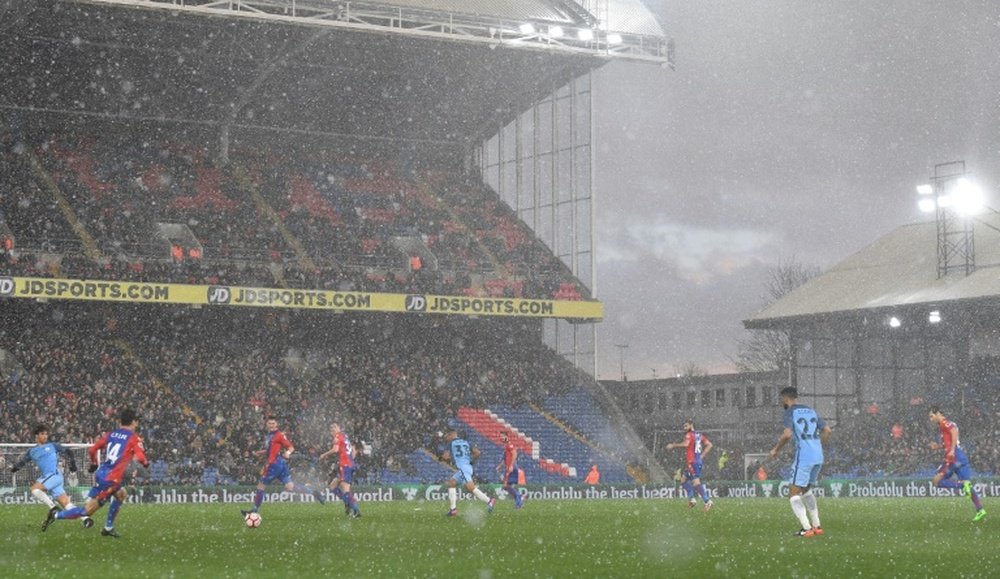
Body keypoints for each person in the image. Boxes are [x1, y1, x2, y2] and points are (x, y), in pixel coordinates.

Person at [44, 409, 148, 538]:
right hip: (110, 479)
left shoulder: (111, 434)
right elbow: (141, 457)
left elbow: (93, 449)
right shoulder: (134, 438)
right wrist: (145, 464)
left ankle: (108, 528)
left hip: (104, 472)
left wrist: (94, 463)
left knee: (121, 494)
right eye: (136, 421)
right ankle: (55, 515)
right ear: (134, 422)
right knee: (86, 511)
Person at [769, 387, 831, 537]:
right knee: (806, 490)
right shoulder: (810, 410)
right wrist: (818, 445)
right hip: (818, 455)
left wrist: (775, 449)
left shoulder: (790, 412)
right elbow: (828, 430)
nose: (781, 401)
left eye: (781, 398)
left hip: (804, 456)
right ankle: (817, 526)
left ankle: (806, 528)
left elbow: (787, 435)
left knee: (793, 493)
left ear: (785, 397)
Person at [10, 423, 92, 528]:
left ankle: (53, 509)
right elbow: (22, 462)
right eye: (42, 434)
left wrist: (73, 465)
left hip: (54, 475)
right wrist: (14, 469)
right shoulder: (32, 451)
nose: (45, 436)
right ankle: (86, 519)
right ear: (36, 435)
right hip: (49, 478)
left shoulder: (53, 445)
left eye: (46, 434)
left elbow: (69, 452)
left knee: (35, 489)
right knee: (66, 503)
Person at [242, 416, 325, 517]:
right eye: (270, 423)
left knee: (260, 487)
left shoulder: (279, 435)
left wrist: (288, 453)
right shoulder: (269, 436)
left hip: (273, 465)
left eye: (273, 423)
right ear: (266, 424)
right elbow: (272, 449)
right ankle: (314, 493)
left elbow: (291, 447)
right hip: (280, 464)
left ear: (276, 424)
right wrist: (262, 452)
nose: (271, 425)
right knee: (290, 486)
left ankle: (254, 511)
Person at [928, 407, 986, 522]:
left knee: (936, 481)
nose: (931, 419)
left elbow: (954, 430)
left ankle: (961, 486)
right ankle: (980, 510)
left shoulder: (944, 423)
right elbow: (950, 440)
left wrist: (952, 450)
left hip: (953, 458)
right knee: (968, 485)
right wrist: (939, 446)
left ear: (938, 413)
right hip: (961, 458)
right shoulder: (944, 425)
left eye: (931, 416)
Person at [441, 429, 495, 517]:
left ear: (451, 435)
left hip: (462, 468)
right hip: (467, 466)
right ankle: (453, 510)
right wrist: (470, 461)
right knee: (452, 483)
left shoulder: (450, 443)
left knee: (470, 487)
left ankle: (489, 501)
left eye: (447, 435)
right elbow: (477, 453)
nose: (446, 437)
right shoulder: (466, 442)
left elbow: (445, 457)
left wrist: (442, 458)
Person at [665, 419, 714, 511]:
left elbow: (686, 444)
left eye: (686, 426)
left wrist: (673, 445)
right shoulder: (699, 435)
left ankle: (707, 501)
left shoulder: (689, 435)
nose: (684, 428)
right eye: (684, 426)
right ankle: (692, 499)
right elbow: (709, 445)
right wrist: (701, 456)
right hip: (695, 462)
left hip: (693, 462)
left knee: (696, 483)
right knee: (683, 479)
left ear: (691, 425)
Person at [319, 422, 361, 518]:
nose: (333, 429)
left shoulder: (337, 437)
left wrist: (323, 455)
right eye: (331, 428)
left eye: (335, 427)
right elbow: (353, 451)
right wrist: (350, 460)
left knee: (345, 489)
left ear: (339, 428)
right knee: (333, 486)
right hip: (348, 465)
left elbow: (335, 449)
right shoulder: (345, 436)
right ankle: (347, 503)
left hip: (345, 465)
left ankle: (356, 510)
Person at [494, 430, 525, 509]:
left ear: (506, 437)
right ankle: (519, 500)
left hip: (512, 468)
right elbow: (505, 460)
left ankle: (519, 497)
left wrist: (511, 465)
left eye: (502, 436)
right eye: (500, 436)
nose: (501, 437)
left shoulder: (509, 444)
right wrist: (499, 466)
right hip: (509, 468)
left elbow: (515, 454)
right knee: (506, 486)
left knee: (506, 486)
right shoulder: (505, 446)